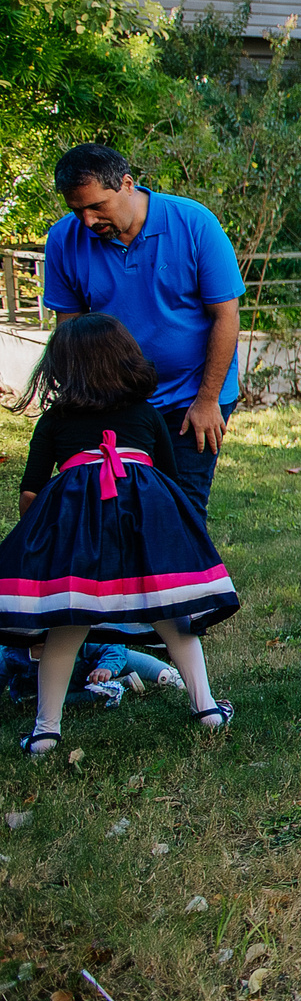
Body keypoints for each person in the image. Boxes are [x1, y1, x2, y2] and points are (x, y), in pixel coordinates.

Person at [2, 314, 240, 757]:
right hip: (143, 535)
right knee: (173, 619)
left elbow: (30, 492)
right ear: (127, 359)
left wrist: (39, 546)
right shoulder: (147, 415)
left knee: (66, 627)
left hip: (78, 542)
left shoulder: (54, 421)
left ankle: (45, 732)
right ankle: (207, 708)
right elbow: (169, 483)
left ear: (64, 366)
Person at [41, 144, 245, 516]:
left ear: (127, 184)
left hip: (190, 395)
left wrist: (207, 401)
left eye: (97, 206)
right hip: (113, 397)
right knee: (116, 507)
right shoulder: (63, 240)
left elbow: (226, 316)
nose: (87, 221)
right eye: (77, 210)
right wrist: (75, 400)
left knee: (180, 508)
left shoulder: (194, 223)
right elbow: (70, 331)